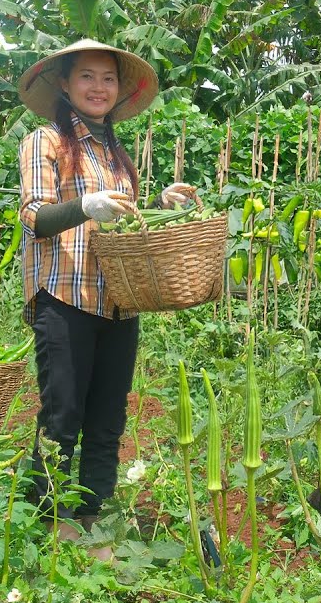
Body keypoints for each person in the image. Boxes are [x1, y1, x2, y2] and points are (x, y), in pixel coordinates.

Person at [16, 39, 194, 551]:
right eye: (88, 77)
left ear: (118, 91)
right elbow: (35, 217)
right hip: (64, 296)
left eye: (109, 79)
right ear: (66, 84)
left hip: (117, 299)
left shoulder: (116, 153)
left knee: (108, 414)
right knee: (62, 412)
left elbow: (120, 223)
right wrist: (84, 205)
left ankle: (92, 514)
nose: (99, 87)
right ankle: (47, 518)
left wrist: (160, 203)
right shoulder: (43, 142)